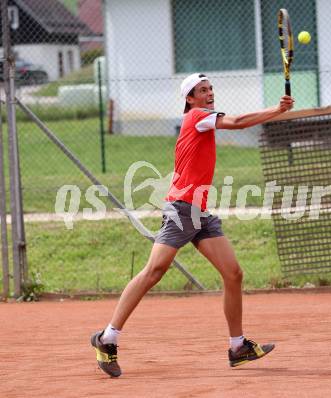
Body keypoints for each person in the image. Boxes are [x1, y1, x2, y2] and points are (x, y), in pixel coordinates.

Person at [91, 73, 294, 377]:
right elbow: (237, 122)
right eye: (202, 90)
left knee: (233, 273)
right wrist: (277, 110)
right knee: (153, 273)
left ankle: (238, 347)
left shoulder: (202, 117)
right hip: (181, 209)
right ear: (190, 99)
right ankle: (107, 338)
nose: (209, 93)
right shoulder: (197, 116)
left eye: (211, 88)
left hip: (199, 211)